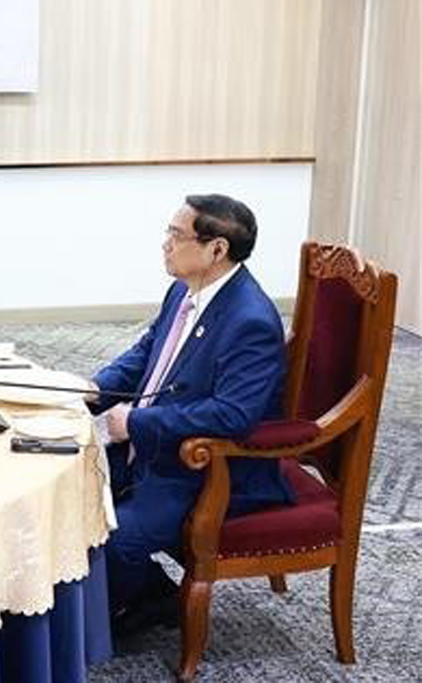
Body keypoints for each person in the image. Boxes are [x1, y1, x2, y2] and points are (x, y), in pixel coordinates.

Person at [91, 194, 292, 637]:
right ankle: (156, 595)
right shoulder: (186, 287)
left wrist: (137, 423)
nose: (165, 243)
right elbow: (148, 352)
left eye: (176, 235)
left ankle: (105, 621)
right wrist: (96, 390)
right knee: (68, 489)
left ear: (217, 249)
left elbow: (233, 414)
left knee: (118, 540)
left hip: (206, 471)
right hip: (154, 447)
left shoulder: (250, 321)